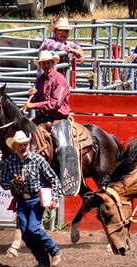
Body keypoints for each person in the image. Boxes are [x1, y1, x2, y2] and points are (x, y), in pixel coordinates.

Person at [0, 131, 62, 267]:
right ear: (14, 147)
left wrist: (54, 198)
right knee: (26, 234)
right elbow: (3, 183)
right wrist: (15, 183)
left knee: (33, 228)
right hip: (22, 200)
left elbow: (54, 179)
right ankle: (43, 262)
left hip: (36, 199)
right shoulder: (9, 162)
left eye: (26, 144)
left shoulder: (38, 160)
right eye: (20, 145)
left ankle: (55, 251)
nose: (24, 147)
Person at [26, 50, 80, 197]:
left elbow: (55, 103)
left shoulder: (60, 79)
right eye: (43, 63)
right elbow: (39, 99)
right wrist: (33, 95)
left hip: (58, 118)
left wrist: (34, 106)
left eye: (48, 62)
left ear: (53, 63)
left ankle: (67, 179)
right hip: (43, 118)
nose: (45, 65)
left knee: (62, 147)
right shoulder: (40, 79)